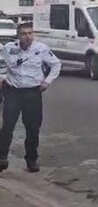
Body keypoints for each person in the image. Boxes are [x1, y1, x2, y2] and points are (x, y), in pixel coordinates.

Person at [0, 22, 61, 173]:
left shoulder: (40, 49)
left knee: (33, 128)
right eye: (24, 34)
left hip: (32, 93)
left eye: (30, 33)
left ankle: (31, 160)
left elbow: (56, 64)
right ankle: (2, 158)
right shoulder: (9, 48)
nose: (28, 37)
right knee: (8, 127)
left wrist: (47, 81)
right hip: (13, 91)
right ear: (18, 36)